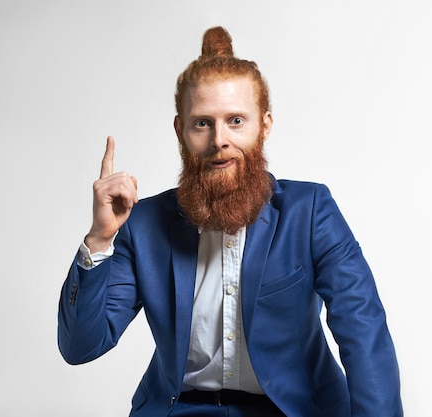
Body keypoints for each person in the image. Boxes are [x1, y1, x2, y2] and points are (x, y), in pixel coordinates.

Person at [57, 26, 403, 417]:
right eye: (202, 123)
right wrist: (100, 238)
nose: (219, 139)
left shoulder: (310, 211)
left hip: (292, 410)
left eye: (236, 121)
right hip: (181, 409)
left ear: (265, 125)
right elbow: (80, 347)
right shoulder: (145, 223)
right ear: (180, 131)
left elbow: (363, 330)